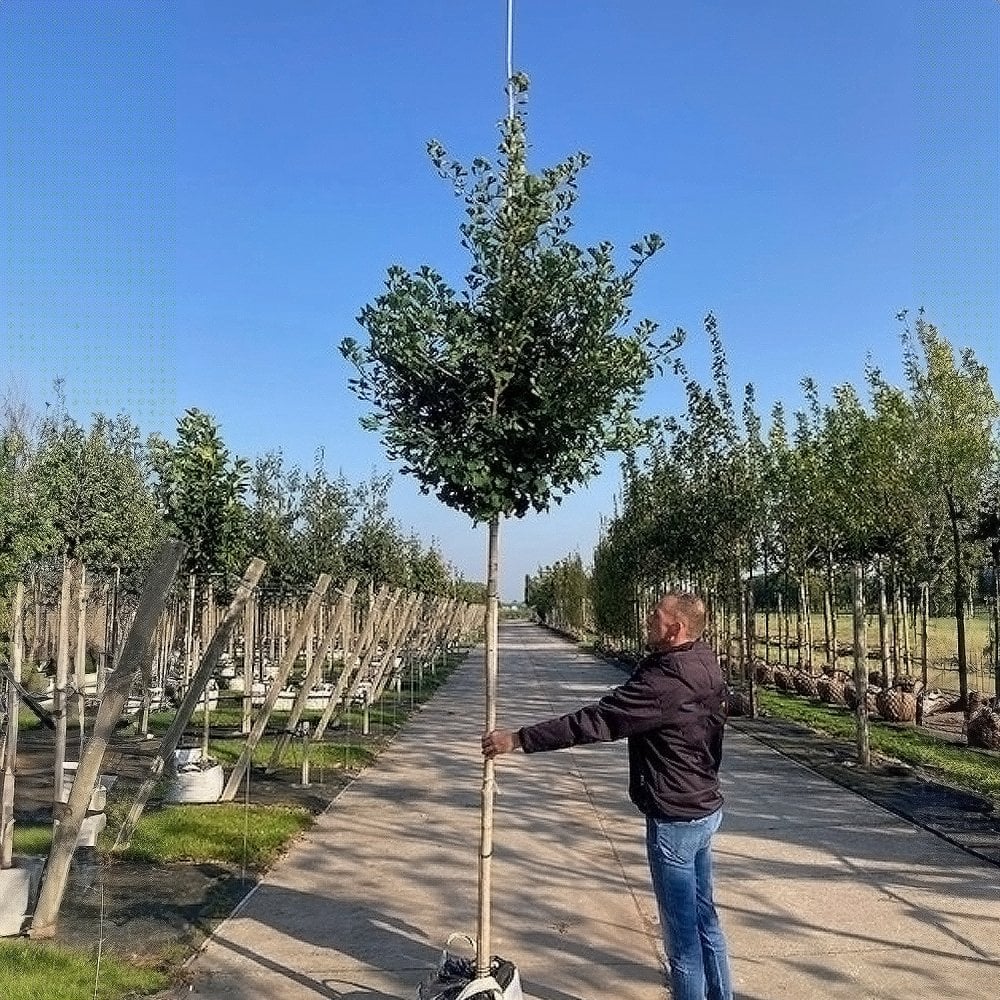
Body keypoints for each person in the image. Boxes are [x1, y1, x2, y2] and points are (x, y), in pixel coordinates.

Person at [482, 591, 733, 1000]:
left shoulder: (664, 683)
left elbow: (596, 721)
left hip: (674, 818)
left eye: (655, 615)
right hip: (704, 808)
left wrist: (519, 739)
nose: (647, 620)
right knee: (706, 921)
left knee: (682, 943)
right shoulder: (703, 660)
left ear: (675, 628)